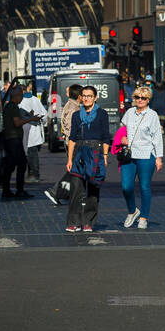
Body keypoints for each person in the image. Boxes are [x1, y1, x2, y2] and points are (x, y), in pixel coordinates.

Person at [118, 83, 164, 228]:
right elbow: (121, 129)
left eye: (143, 98)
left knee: (144, 186)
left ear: (148, 100)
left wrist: (158, 157)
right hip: (129, 155)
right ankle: (132, 211)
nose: (140, 100)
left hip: (146, 154)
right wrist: (122, 138)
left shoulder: (152, 115)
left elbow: (157, 137)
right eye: (137, 97)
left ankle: (143, 217)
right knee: (126, 186)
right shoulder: (129, 112)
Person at [66, 85, 110, 232]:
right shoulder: (76, 115)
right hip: (79, 152)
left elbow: (105, 137)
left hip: (96, 151)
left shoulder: (102, 114)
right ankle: (73, 222)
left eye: (89, 96)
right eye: (84, 95)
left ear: (95, 97)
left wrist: (104, 156)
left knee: (92, 189)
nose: (86, 98)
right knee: (76, 188)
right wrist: (69, 159)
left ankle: (88, 222)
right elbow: (72, 138)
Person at [0, 84, 41, 200]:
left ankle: (8, 190)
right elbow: (17, 123)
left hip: (11, 139)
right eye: (21, 96)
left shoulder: (11, 107)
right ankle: (17, 190)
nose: (22, 98)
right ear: (17, 96)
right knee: (19, 165)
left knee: (12, 165)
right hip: (14, 140)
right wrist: (31, 119)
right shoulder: (13, 107)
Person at [45, 84, 83, 207]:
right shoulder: (74, 108)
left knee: (77, 170)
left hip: (72, 142)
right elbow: (72, 128)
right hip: (74, 143)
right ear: (79, 96)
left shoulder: (72, 105)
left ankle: (70, 194)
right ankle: (56, 191)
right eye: (83, 95)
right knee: (75, 170)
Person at [20, 81, 47, 182]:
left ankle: (33, 175)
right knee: (33, 154)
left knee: (27, 154)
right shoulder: (35, 99)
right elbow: (44, 115)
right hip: (35, 132)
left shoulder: (20, 102)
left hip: (25, 131)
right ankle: (33, 174)